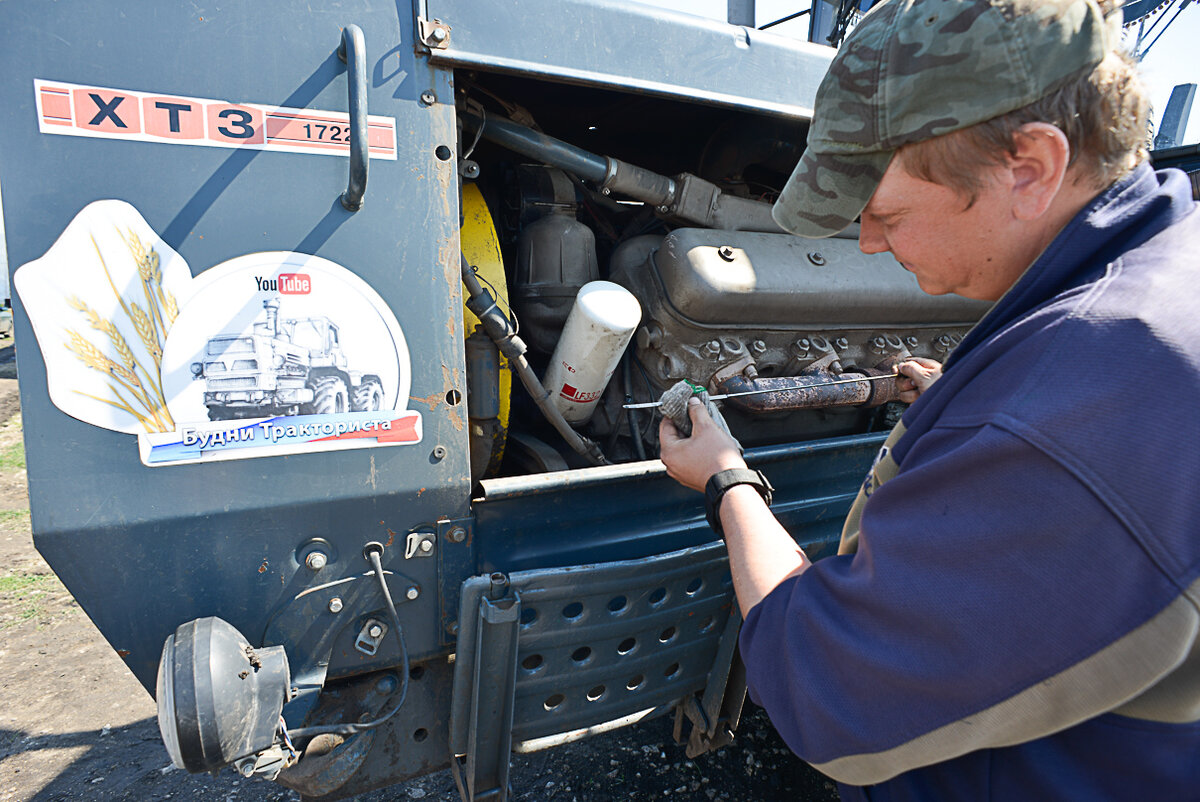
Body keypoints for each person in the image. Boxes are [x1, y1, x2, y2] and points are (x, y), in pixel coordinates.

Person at [658, 0, 1200, 799]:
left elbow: (823, 689)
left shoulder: (1074, 418)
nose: (868, 243)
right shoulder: (1160, 285)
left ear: (1030, 168)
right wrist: (968, 401)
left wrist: (727, 480)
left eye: (885, 214)